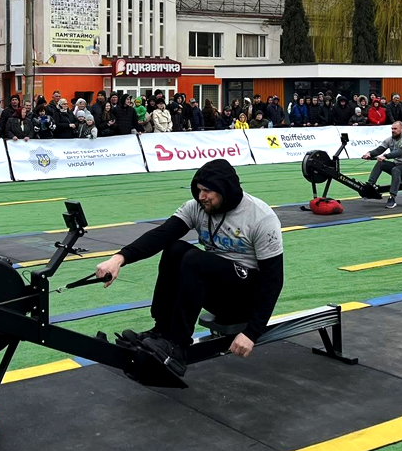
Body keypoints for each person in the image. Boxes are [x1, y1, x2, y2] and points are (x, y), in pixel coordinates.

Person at [92, 160, 283, 376]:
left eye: (207, 191)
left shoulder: (261, 217)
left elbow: (273, 279)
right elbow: (161, 235)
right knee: (174, 249)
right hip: (218, 290)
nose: (201, 196)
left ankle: (178, 346)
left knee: (195, 259)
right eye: (199, 190)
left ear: (225, 188)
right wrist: (119, 259)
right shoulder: (198, 207)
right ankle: (162, 331)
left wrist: (252, 332)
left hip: (245, 300)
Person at [362, 121, 402, 209]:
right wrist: (369, 153)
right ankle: (370, 185)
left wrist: (386, 156)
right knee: (381, 163)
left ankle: (392, 198)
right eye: (392, 129)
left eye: (395, 129)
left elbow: (401, 152)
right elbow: (379, 150)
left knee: (396, 169)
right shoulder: (390, 139)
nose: (393, 130)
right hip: (397, 165)